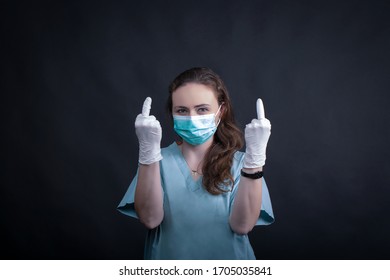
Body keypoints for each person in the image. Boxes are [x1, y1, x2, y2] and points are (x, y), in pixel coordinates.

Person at [117, 67, 274, 259]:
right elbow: (150, 219)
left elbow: (242, 226)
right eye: (182, 110)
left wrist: (255, 159)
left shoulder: (243, 164)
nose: (192, 118)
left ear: (221, 110)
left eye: (202, 109)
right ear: (172, 113)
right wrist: (147, 152)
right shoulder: (157, 162)